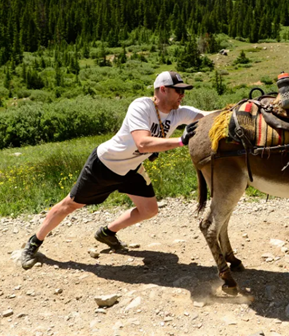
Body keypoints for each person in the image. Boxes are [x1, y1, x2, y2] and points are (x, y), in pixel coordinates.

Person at [20, 71, 210, 269]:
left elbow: (211, 116)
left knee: (149, 210)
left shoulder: (179, 113)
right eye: (178, 90)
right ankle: (33, 243)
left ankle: (107, 233)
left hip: (132, 169)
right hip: (105, 165)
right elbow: (143, 143)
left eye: (184, 91)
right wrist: (181, 140)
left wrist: (242, 108)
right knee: (69, 205)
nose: (183, 95)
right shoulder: (141, 106)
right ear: (162, 89)